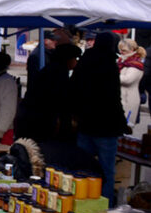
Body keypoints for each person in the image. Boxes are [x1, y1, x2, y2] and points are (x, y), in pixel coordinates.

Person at [72, 32, 129, 203]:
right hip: (106, 125)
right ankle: (105, 205)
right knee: (106, 169)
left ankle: (80, 200)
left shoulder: (85, 61)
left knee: (83, 166)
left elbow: (75, 87)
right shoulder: (109, 63)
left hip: (85, 122)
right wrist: (122, 123)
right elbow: (113, 96)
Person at [14, 43, 80, 144]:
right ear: (68, 59)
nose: (76, 62)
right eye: (75, 58)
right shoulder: (58, 73)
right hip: (40, 121)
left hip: (31, 118)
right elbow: (60, 100)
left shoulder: (51, 69)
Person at [119, 38, 146, 126]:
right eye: (120, 50)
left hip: (129, 99)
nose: (121, 52)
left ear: (132, 50)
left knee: (125, 127)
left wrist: (111, 75)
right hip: (121, 98)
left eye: (124, 50)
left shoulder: (135, 64)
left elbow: (128, 80)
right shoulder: (122, 61)